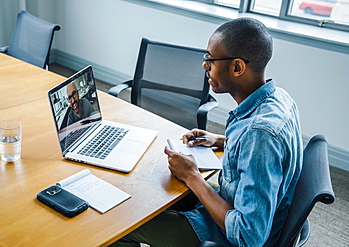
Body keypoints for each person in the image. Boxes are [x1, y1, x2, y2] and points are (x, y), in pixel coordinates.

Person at [109, 17, 303, 247]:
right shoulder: (278, 98)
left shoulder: (259, 134)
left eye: (210, 59)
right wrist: (219, 140)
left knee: (119, 224)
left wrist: (194, 176)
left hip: (226, 237)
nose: (204, 65)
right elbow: (263, 153)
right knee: (155, 184)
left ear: (237, 67)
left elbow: (248, 236)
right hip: (234, 200)